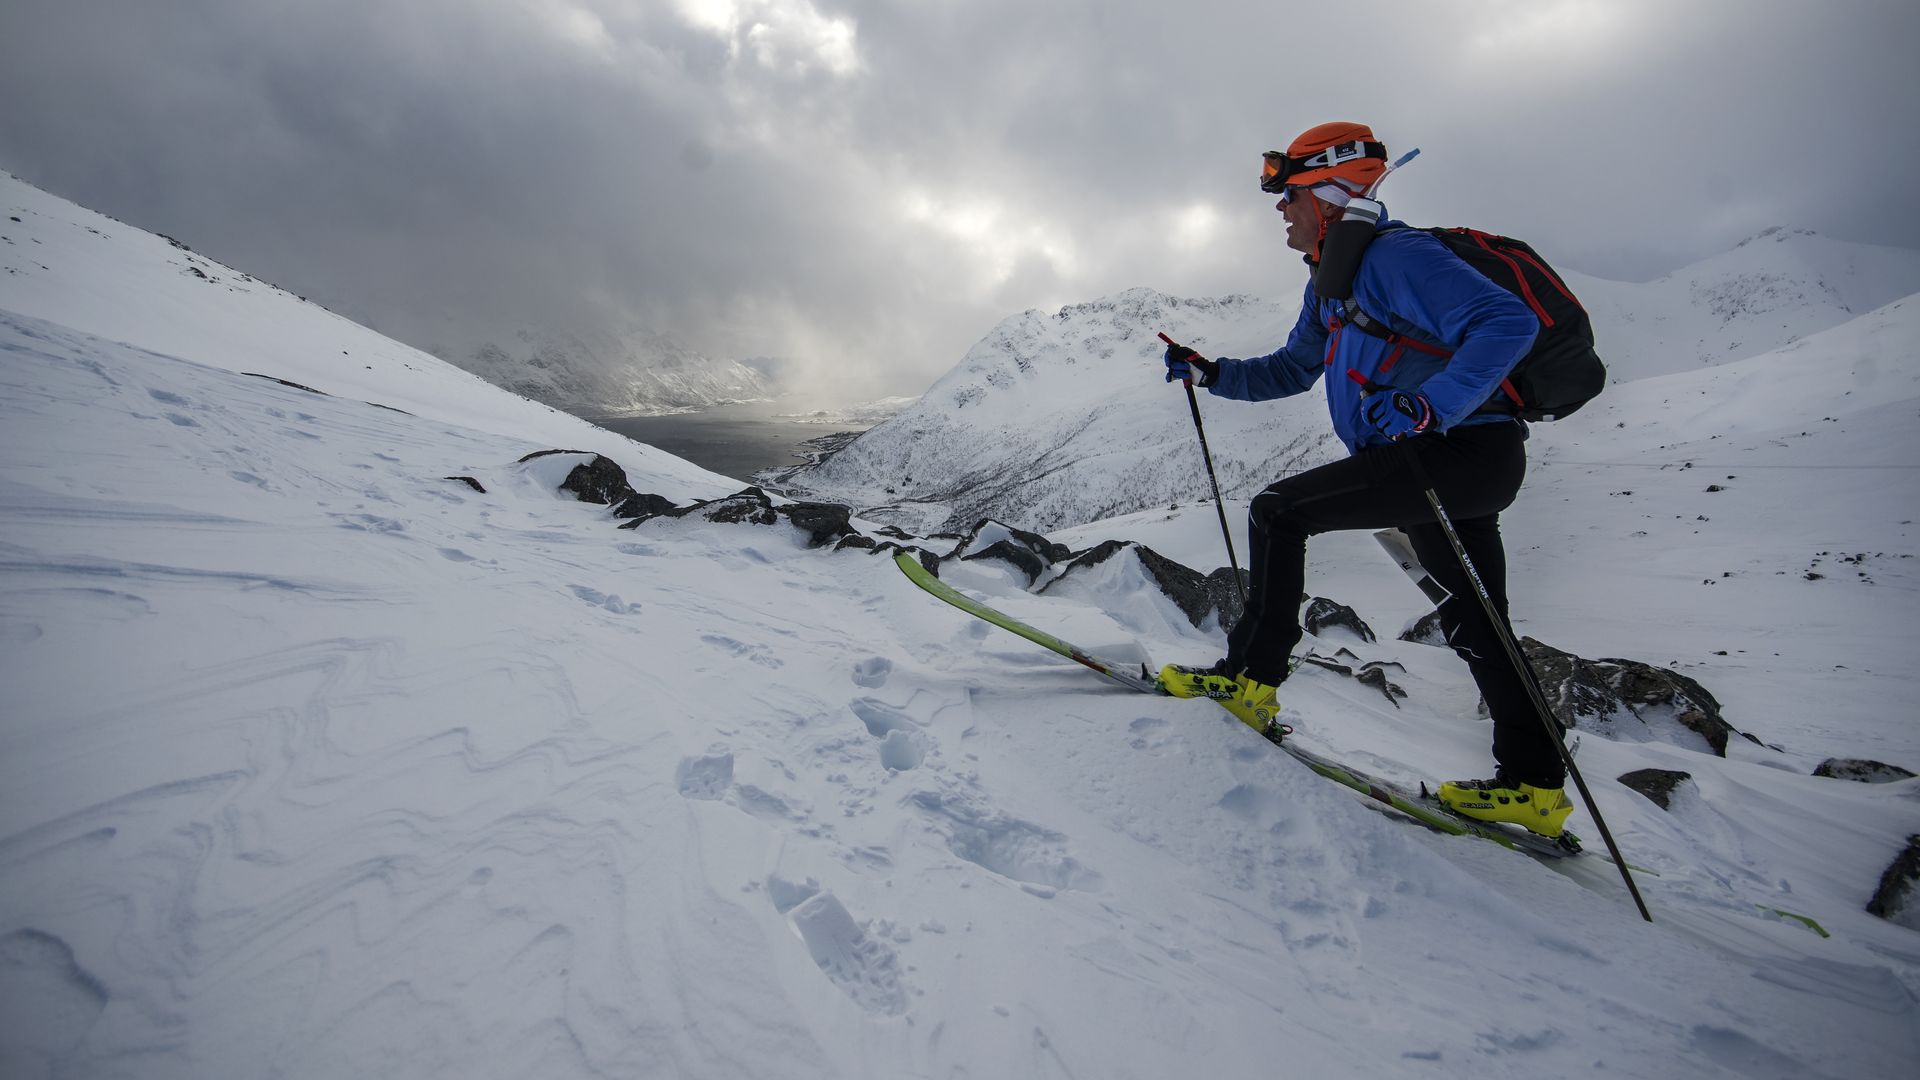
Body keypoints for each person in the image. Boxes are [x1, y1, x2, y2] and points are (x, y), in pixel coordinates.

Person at [1157, 121, 1572, 838]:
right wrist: (1212, 373)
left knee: (1278, 510)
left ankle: (1249, 682)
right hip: (1460, 462)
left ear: (1328, 193)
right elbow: (1292, 368)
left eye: (1289, 197)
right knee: (1476, 620)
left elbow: (1506, 322)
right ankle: (1533, 787)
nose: (1280, 212)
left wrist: (1429, 404)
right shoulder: (1334, 282)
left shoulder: (1393, 257)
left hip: (1454, 452)